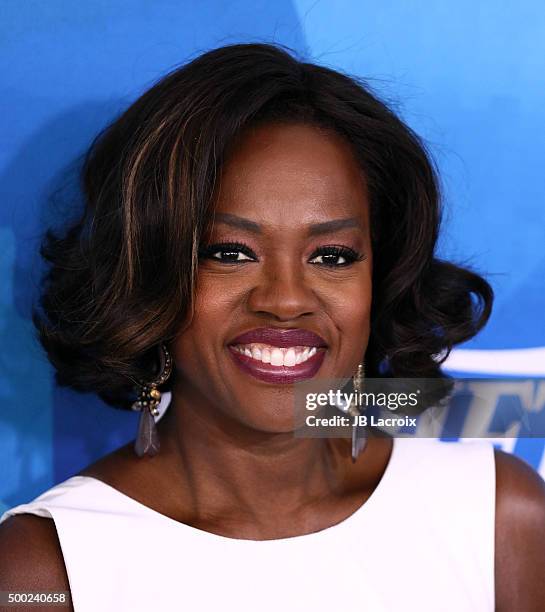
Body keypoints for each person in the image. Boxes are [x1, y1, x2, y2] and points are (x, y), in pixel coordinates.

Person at [1, 43, 544, 612]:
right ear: (150, 276)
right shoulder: (45, 570)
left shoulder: (498, 517)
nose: (286, 300)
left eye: (332, 256)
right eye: (230, 253)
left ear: (379, 280)